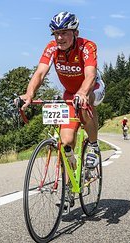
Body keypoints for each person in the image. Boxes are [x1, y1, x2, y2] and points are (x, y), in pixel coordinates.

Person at [18, 11, 105, 169]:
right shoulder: (52, 48)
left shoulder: (87, 46)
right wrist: (29, 94)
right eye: (56, 33)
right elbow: (40, 73)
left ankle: (93, 145)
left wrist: (82, 92)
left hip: (92, 88)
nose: (59, 38)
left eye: (64, 33)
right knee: (66, 142)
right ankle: (71, 181)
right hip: (70, 94)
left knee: (85, 103)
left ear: (76, 33)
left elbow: (90, 75)